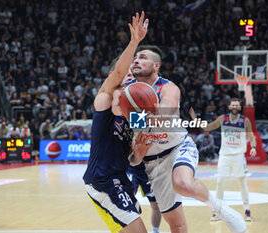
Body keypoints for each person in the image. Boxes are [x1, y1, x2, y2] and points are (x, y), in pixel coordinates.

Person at [126, 46, 246, 232]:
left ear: (156, 65)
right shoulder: (127, 92)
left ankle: (221, 210)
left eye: (142, 57)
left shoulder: (168, 87)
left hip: (177, 148)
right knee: (177, 225)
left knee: (184, 184)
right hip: (152, 162)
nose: (136, 60)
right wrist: (136, 154)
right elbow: (131, 146)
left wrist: (135, 116)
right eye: (134, 58)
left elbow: (164, 116)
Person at [83, 12, 150, 233]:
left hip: (121, 179)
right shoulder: (104, 100)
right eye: (127, 73)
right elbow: (120, 71)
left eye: (134, 74)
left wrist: (138, 154)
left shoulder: (136, 113)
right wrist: (134, 41)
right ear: (114, 75)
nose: (131, 76)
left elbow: (131, 159)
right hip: (103, 181)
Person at [190, 98, 257, 222]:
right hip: (224, 156)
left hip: (238, 156)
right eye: (233, 105)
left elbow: (251, 137)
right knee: (220, 182)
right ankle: (217, 211)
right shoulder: (223, 119)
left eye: (237, 105)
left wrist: (253, 147)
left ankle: (247, 210)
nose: (235, 107)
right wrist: (195, 119)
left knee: (242, 182)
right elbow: (208, 127)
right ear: (229, 107)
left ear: (240, 107)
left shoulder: (245, 121)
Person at [123, 69, 162, 233]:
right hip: (132, 166)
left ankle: (155, 231)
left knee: (156, 207)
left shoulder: (159, 119)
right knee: (126, 204)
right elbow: (133, 141)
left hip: (149, 169)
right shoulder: (133, 115)